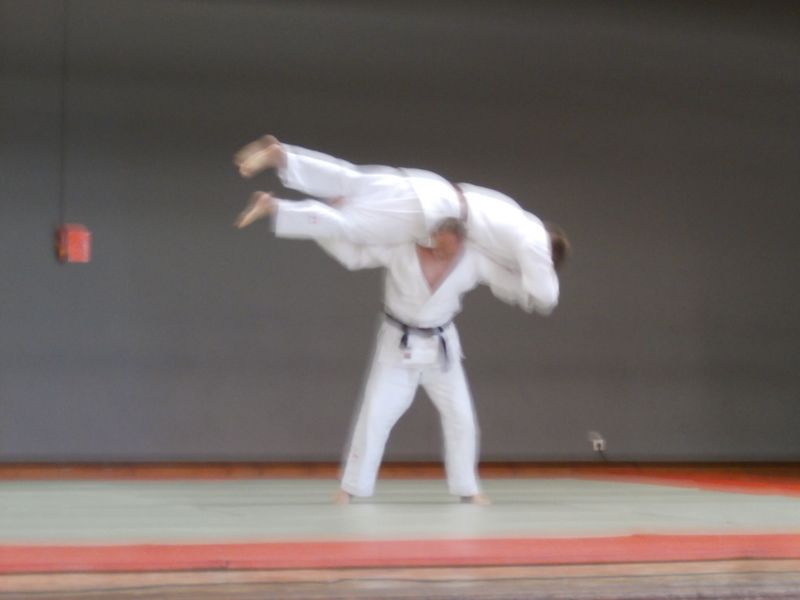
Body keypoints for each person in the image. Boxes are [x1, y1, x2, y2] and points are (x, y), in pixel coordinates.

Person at [237, 194, 559, 504]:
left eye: (452, 250)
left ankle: (468, 488)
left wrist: (541, 277)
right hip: (397, 344)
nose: (445, 255)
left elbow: (513, 282)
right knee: (375, 416)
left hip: (441, 349)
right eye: (440, 248)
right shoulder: (401, 248)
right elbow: (352, 253)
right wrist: (326, 218)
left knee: (461, 418)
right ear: (432, 236)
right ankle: (351, 488)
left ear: (462, 243)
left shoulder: (473, 259)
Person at [233, 136, 569, 308]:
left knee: (353, 181)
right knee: (351, 227)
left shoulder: (516, 216)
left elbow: (503, 279)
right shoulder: (534, 241)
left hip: (430, 187)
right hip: (432, 214)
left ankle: (283, 155)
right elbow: (545, 295)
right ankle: (274, 207)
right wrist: (537, 280)